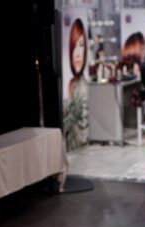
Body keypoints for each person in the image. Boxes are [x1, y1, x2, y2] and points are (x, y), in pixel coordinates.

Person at [64, 18, 89, 151]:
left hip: (79, 144)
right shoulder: (70, 84)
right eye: (75, 46)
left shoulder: (84, 88)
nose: (78, 54)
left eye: (82, 45)